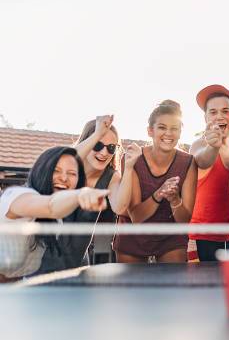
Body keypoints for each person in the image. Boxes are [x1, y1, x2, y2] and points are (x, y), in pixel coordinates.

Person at [33, 115, 142, 273]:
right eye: (98, 145)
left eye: (111, 147)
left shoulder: (111, 176)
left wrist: (130, 167)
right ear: (88, 140)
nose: (104, 152)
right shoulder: (66, 167)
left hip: (78, 265)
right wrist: (98, 132)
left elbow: (120, 207)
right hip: (40, 263)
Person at [0, 146, 109, 281]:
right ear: (41, 171)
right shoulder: (17, 195)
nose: (64, 178)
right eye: (56, 170)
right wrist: (82, 193)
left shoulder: (60, 218)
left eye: (72, 173)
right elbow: (51, 206)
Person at [113, 100, 197, 262]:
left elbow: (185, 221)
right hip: (132, 234)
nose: (168, 133)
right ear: (150, 131)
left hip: (170, 236)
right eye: (162, 127)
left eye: (174, 129)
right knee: (132, 287)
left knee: (173, 285)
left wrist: (175, 199)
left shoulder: (188, 162)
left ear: (180, 132)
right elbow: (136, 217)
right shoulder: (133, 158)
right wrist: (158, 194)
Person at [189, 85, 229, 261]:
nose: (219, 116)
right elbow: (202, 160)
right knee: (204, 287)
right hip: (201, 236)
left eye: (225, 111)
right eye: (213, 112)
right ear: (205, 118)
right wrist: (213, 147)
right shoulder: (198, 145)